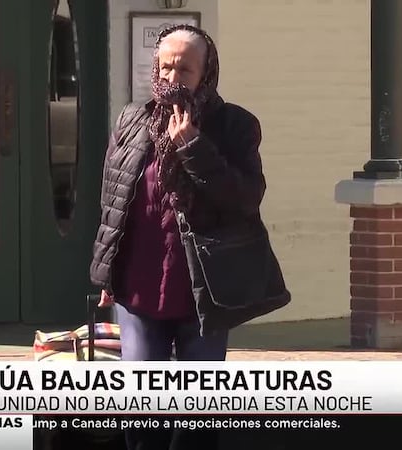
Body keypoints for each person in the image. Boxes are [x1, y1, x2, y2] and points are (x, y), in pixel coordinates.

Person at [89, 24, 274, 449]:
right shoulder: (131, 119)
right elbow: (113, 201)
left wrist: (194, 148)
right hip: (138, 287)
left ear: (206, 74)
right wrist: (106, 276)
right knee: (141, 412)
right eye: (166, 67)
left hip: (203, 289)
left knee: (198, 415)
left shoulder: (235, 126)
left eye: (185, 70)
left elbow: (246, 198)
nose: (172, 79)